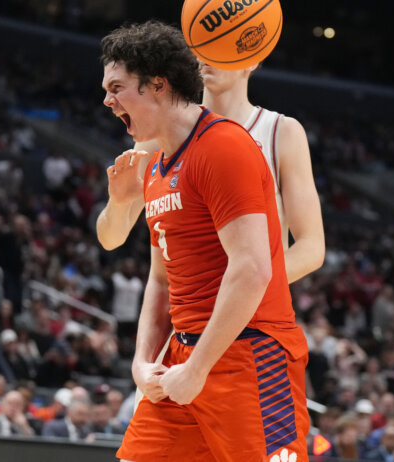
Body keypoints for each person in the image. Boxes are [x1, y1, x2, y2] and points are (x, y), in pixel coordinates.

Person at [100, 21, 310, 461]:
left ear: (157, 85)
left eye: (117, 87)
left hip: (253, 353)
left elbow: (252, 268)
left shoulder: (224, 147)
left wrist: (198, 368)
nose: (107, 100)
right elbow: (161, 281)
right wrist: (142, 362)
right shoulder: (155, 166)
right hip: (183, 353)